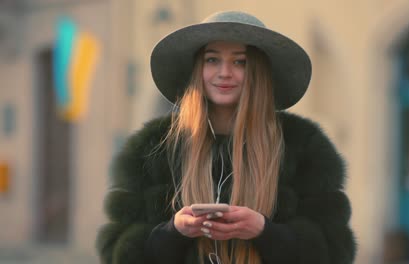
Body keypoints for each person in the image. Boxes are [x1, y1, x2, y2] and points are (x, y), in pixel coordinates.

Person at [96, 10, 356, 264]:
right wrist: (174, 232)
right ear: (198, 68)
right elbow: (118, 252)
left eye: (240, 62)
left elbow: (334, 252)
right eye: (212, 59)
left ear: (259, 71)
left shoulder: (304, 147)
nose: (224, 72)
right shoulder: (153, 147)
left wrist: (265, 232)